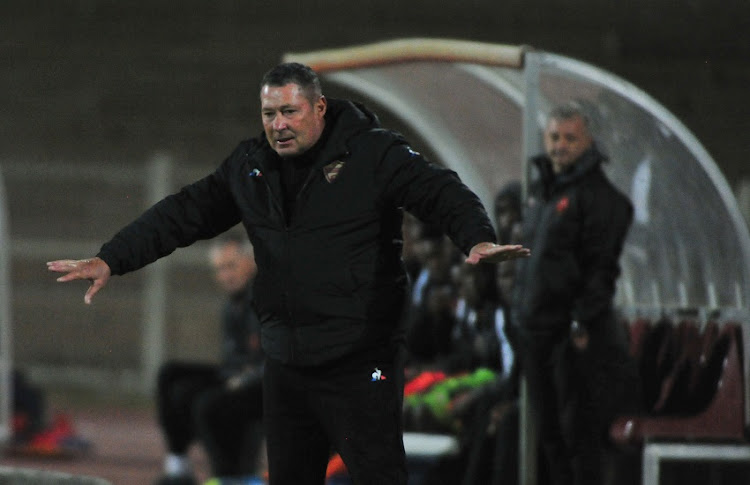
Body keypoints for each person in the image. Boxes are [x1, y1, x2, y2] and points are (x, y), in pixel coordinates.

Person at [47, 62, 529, 485]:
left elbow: (440, 191)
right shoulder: (250, 166)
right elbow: (183, 213)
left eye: (289, 112)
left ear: (319, 109)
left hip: (361, 361)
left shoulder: (374, 154)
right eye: (269, 114)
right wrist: (112, 257)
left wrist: (476, 238)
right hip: (287, 363)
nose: (278, 125)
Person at [511, 101, 641, 485]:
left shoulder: (598, 198)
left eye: (570, 138)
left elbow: (602, 270)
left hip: (570, 338)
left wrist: (580, 320)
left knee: (576, 437)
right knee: (550, 437)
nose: (559, 146)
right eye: (554, 137)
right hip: (536, 332)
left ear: (588, 142)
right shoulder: (543, 191)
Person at [155, 233, 264, 485]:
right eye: (219, 269)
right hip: (236, 376)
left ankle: (228, 477)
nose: (225, 275)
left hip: (265, 383)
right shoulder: (233, 304)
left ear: (251, 262)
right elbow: (232, 360)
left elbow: (271, 361)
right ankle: (178, 467)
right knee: (171, 375)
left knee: (208, 403)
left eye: (231, 266)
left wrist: (240, 381)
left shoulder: (263, 298)